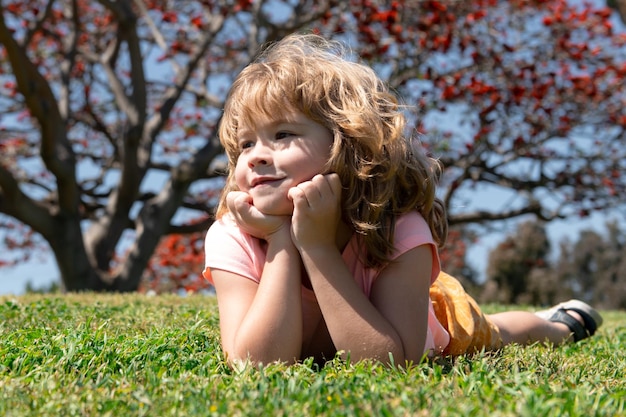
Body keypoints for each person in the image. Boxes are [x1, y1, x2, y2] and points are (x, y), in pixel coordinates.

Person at [202, 33, 602, 367]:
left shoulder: (394, 228)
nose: (254, 155)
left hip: (426, 315)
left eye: (283, 134)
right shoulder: (232, 236)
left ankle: (555, 324)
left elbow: (390, 364)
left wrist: (318, 247)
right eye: (246, 143)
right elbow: (256, 365)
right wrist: (282, 242)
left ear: (348, 143)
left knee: (494, 334)